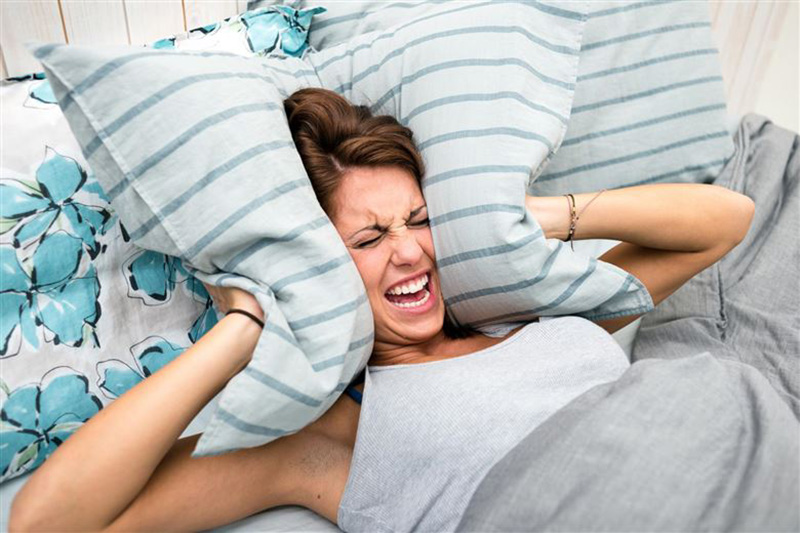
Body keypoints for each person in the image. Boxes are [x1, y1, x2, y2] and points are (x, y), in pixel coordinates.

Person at [8, 88, 756, 532]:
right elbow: (45, 521)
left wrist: (520, 215)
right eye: (369, 237)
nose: (411, 253)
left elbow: (725, 219)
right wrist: (243, 327)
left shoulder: (533, 317)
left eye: (421, 219)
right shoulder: (332, 436)